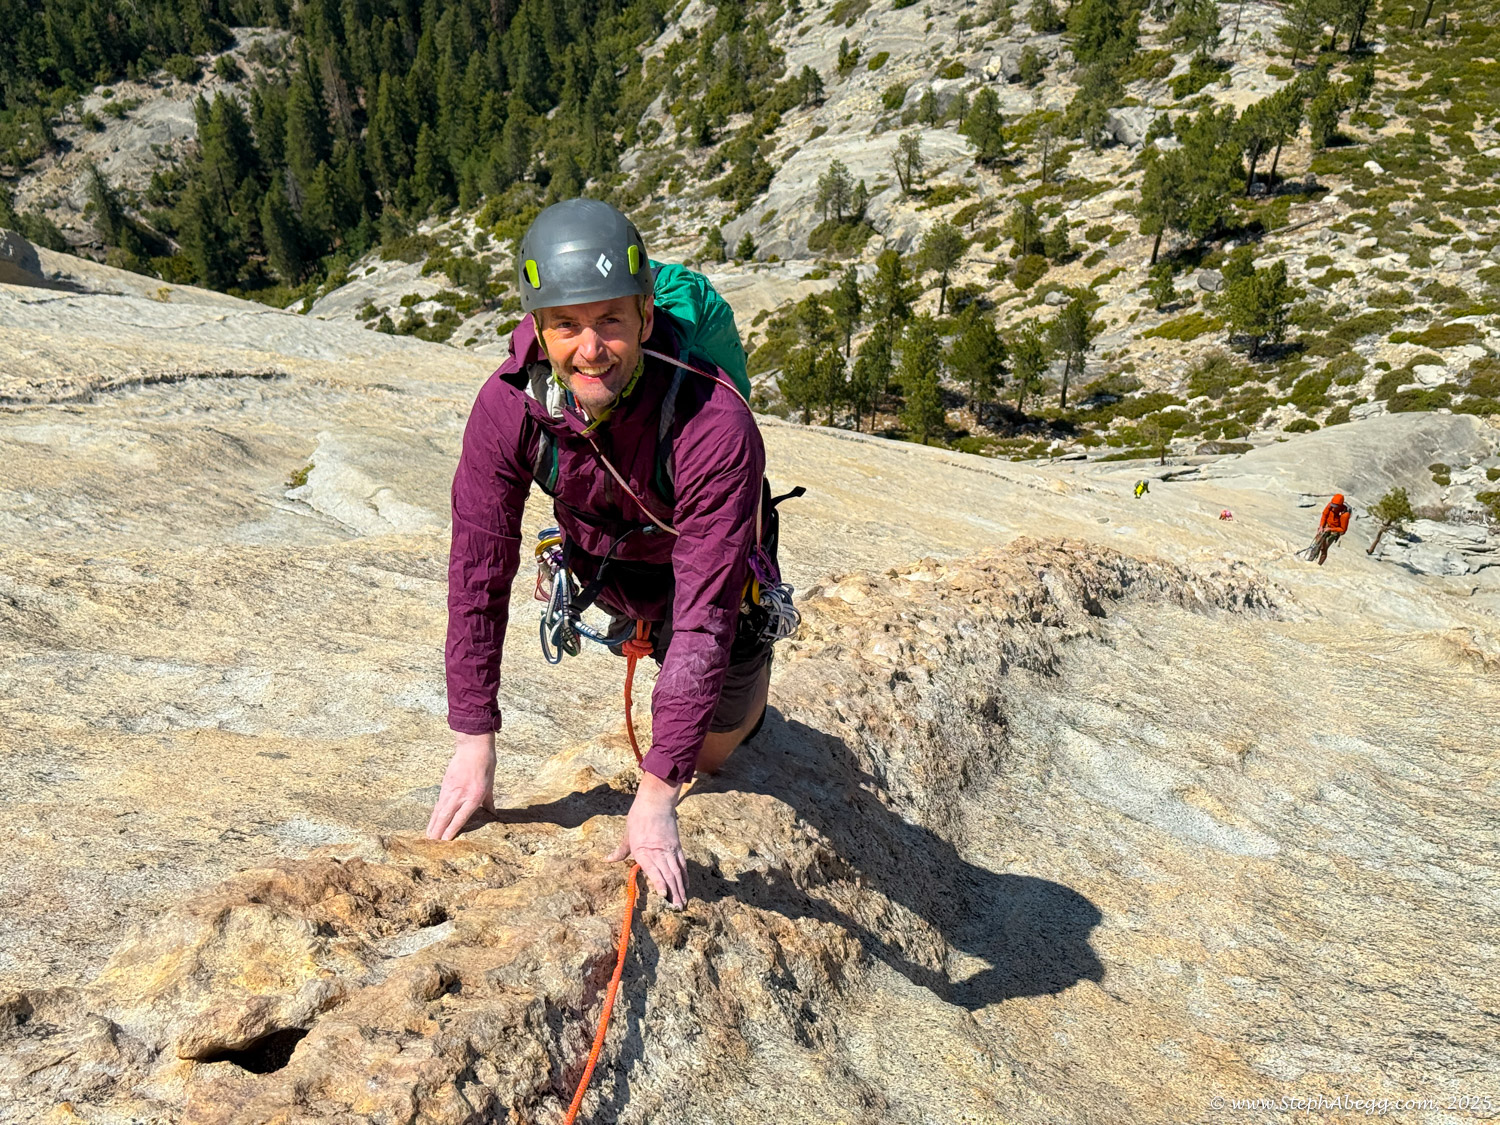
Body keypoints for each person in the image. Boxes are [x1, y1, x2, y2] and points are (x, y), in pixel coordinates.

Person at [427, 199, 783, 909]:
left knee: (709, 758)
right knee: (665, 672)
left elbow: (705, 612)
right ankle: (642, 630)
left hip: (708, 577)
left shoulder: (714, 420)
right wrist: (473, 736)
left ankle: (747, 689)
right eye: (566, 324)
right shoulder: (509, 406)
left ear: (646, 317)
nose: (590, 348)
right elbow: (478, 571)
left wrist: (657, 793)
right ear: (537, 327)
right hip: (606, 564)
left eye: (610, 321)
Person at [1311, 492, 1351, 565]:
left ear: (1340, 506)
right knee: (1316, 544)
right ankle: (1310, 559)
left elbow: (1343, 529)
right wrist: (1321, 526)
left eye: (1335, 506)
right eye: (1333, 505)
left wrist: (1330, 529)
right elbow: (1324, 515)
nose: (1333, 508)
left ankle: (1319, 564)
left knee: (1324, 548)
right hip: (1326, 526)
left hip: (1334, 531)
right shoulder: (1330, 505)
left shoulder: (1345, 515)